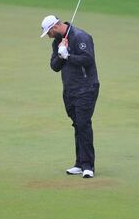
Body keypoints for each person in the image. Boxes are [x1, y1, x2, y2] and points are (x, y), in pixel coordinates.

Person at [40, 15, 100, 178]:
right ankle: (80, 163)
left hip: (87, 88)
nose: (49, 36)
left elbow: (88, 60)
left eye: (48, 33)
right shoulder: (58, 42)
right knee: (77, 124)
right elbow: (54, 67)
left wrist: (68, 56)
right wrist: (60, 54)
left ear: (54, 27)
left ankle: (88, 166)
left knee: (83, 124)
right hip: (69, 89)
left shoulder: (81, 36)